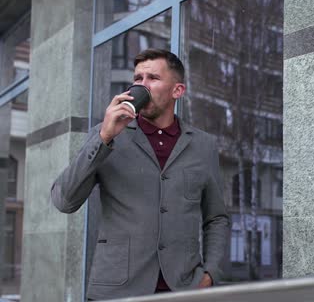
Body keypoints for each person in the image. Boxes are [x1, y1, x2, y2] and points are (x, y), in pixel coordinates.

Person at [51, 49, 230, 300]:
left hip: (183, 290)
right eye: (137, 78)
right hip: (117, 291)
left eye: (152, 78)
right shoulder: (105, 135)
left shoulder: (203, 145)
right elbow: (64, 201)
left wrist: (210, 274)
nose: (141, 86)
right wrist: (104, 137)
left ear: (177, 91)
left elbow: (216, 218)